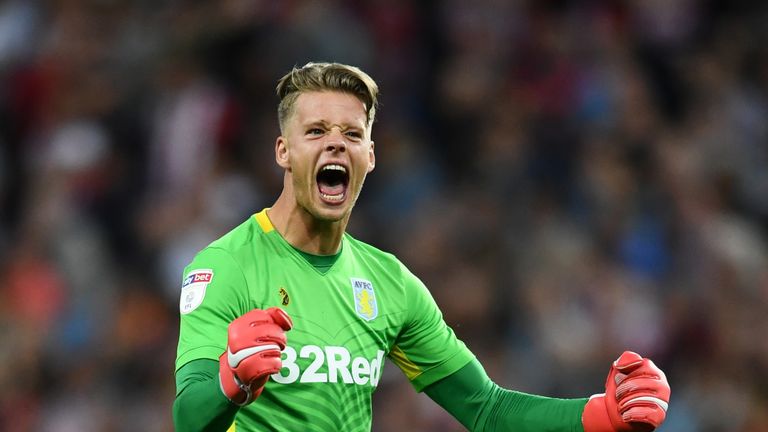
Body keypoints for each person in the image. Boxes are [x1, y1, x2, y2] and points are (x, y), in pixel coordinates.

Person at [172, 62, 670, 432]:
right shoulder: (226, 266)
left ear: (370, 155)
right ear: (284, 151)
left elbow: (486, 408)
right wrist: (229, 381)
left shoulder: (390, 284)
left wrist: (603, 415)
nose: (335, 145)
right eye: (315, 131)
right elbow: (189, 418)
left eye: (352, 133)